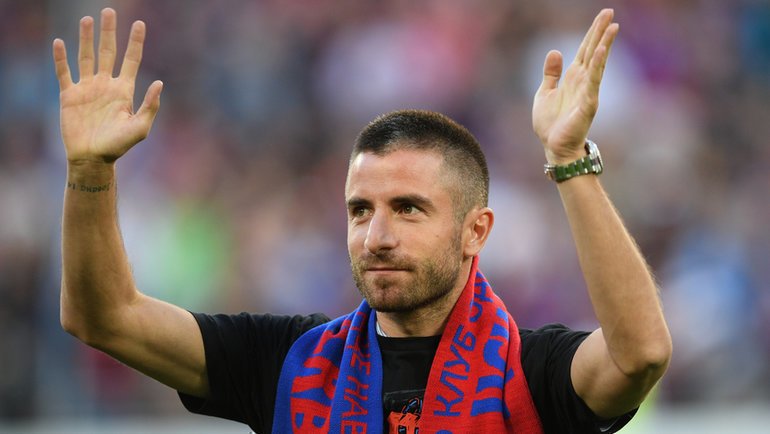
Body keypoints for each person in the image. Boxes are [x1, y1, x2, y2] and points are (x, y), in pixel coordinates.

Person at [53, 7, 671, 434]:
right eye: (360, 211)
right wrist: (90, 170)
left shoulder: (531, 372)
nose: (377, 237)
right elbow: (102, 317)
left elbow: (639, 355)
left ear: (476, 231)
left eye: (408, 209)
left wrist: (568, 159)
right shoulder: (288, 362)